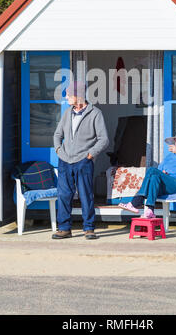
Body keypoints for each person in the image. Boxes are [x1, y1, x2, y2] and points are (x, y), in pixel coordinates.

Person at [52, 81, 109, 240]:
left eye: (69, 94)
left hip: (84, 161)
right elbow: (57, 135)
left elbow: (103, 140)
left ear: (79, 96)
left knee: (86, 195)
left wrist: (90, 155)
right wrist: (58, 150)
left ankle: (89, 228)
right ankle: (64, 228)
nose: (66, 97)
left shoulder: (95, 113)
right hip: (65, 161)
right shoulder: (67, 113)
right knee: (64, 195)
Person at [118, 130, 176, 218]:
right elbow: (160, 169)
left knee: (152, 170)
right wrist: (163, 174)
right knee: (154, 177)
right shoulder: (170, 156)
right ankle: (150, 210)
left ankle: (136, 201)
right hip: (166, 185)